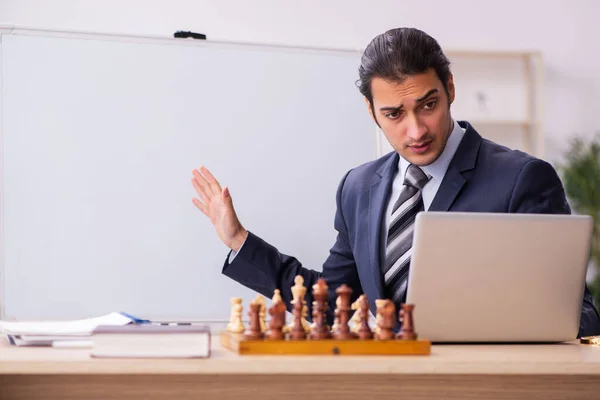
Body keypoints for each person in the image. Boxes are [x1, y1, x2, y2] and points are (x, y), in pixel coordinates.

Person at [190, 27, 600, 337]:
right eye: (394, 114)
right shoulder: (358, 187)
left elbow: (577, 316)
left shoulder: (522, 179)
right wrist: (239, 239)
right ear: (371, 111)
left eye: (429, 105)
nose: (416, 129)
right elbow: (333, 303)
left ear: (450, 89)